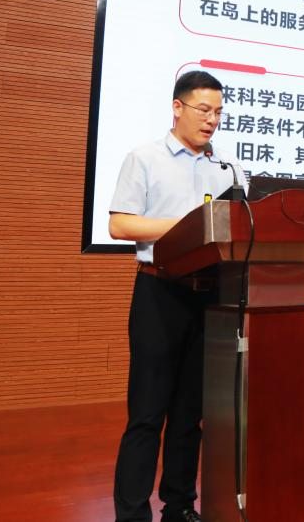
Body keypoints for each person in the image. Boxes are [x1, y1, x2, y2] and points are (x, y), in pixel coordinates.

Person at [109, 70, 241, 522]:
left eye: (218, 112)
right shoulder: (144, 158)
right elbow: (120, 224)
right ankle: (132, 514)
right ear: (177, 107)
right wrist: (189, 227)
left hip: (209, 297)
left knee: (190, 414)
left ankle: (179, 507)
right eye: (204, 110)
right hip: (159, 293)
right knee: (147, 413)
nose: (212, 120)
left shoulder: (227, 168)